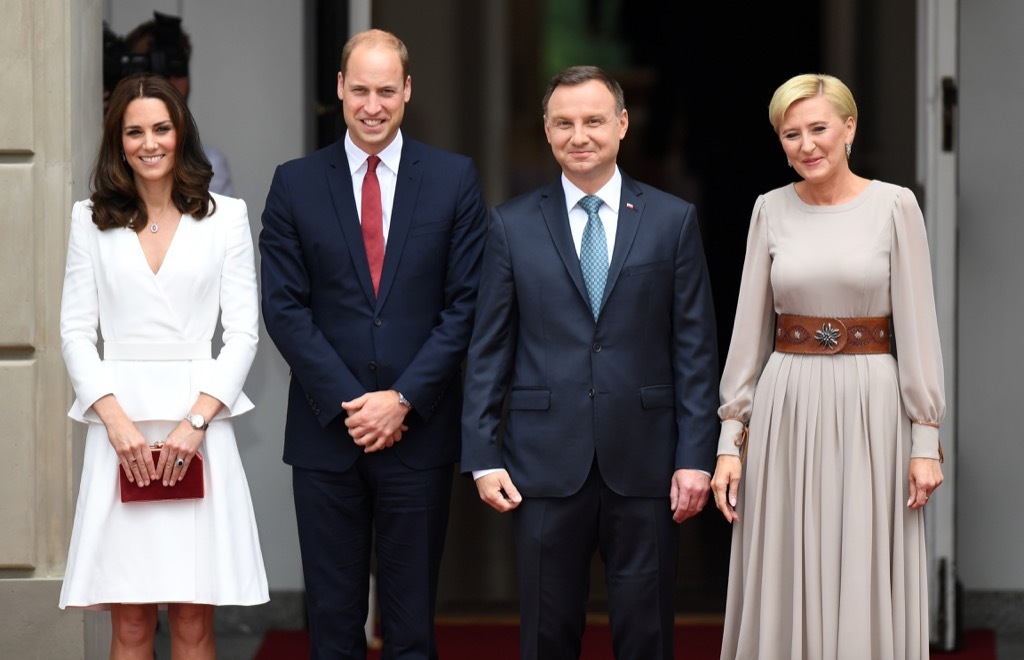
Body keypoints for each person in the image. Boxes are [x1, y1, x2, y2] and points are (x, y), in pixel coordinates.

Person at [461, 65, 720, 660]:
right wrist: (481, 455)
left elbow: (695, 350)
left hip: (648, 460)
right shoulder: (511, 224)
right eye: (564, 123)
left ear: (622, 125)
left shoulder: (672, 219)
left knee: (646, 634)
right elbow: (489, 349)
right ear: (547, 131)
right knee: (548, 634)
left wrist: (695, 457)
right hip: (543, 462)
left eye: (594, 121)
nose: (580, 135)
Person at [259, 29, 488, 658]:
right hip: (325, 435)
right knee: (332, 627)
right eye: (359, 89)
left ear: (408, 91)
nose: (372, 104)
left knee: (412, 627)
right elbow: (283, 307)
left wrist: (403, 399)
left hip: (418, 435)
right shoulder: (295, 183)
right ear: (339, 88)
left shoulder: (453, 180)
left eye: (386, 90)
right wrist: (352, 403)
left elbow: (466, 305)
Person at [710, 73, 945, 660]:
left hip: (873, 403)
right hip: (786, 405)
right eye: (792, 134)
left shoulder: (896, 205)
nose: (806, 145)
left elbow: (918, 324)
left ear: (849, 128)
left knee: (864, 558)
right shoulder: (769, 210)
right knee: (786, 558)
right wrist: (728, 440)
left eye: (818, 129)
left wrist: (925, 437)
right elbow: (748, 330)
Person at [58, 73, 268, 658]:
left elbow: (244, 333)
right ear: (117, 141)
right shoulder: (89, 218)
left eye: (161, 128)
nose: (149, 143)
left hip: (199, 426)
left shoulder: (226, 216)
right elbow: (75, 331)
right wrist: (114, 422)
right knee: (128, 622)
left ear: (181, 133)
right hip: (118, 429)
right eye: (134, 132)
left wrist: (196, 423)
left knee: (195, 621)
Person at [121, 12, 235, 197]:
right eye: (152, 68)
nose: (166, 81)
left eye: (177, 67)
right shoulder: (97, 146)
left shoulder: (210, 165)